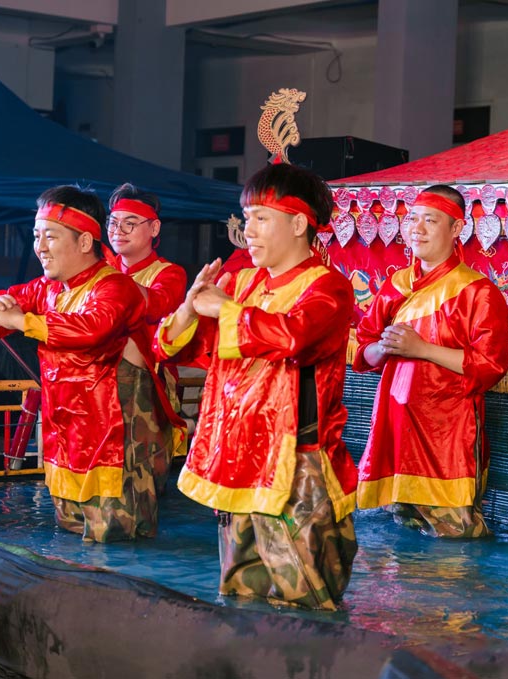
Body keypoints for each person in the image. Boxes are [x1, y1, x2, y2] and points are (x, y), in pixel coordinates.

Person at [154, 162, 358, 610]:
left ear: (300, 223)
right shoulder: (242, 281)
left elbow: (291, 337)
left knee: (305, 598)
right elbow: (173, 348)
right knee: (239, 592)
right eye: (246, 219)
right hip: (237, 460)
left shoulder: (328, 288)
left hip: (295, 467)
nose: (249, 231)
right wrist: (190, 308)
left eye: (262, 218)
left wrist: (224, 308)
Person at [0, 185, 165, 542]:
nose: (40, 247)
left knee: (117, 539)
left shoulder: (116, 287)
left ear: (86, 242)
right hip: (68, 435)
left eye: (50, 236)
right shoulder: (48, 288)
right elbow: (2, 300)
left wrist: (21, 321)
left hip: (113, 433)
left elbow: (92, 328)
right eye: (36, 235)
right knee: (71, 534)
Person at [353, 185, 508, 538]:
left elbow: (491, 364)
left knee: (457, 535)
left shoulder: (476, 291)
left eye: (430, 220)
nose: (417, 229)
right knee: (403, 534)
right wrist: (385, 347)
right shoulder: (396, 285)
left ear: (457, 229)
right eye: (412, 219)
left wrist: (421, 349)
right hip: (396, 426)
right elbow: (364, 350)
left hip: (447, 434)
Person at [107, 183, 187, 493]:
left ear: (154, 228)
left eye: (130, 223)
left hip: (147, 382)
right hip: (101, 379)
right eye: (113, 223)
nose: (119, 231)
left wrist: (105, 280)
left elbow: (156, 306)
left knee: (143, 470)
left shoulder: (169, 272)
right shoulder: (103, 268)